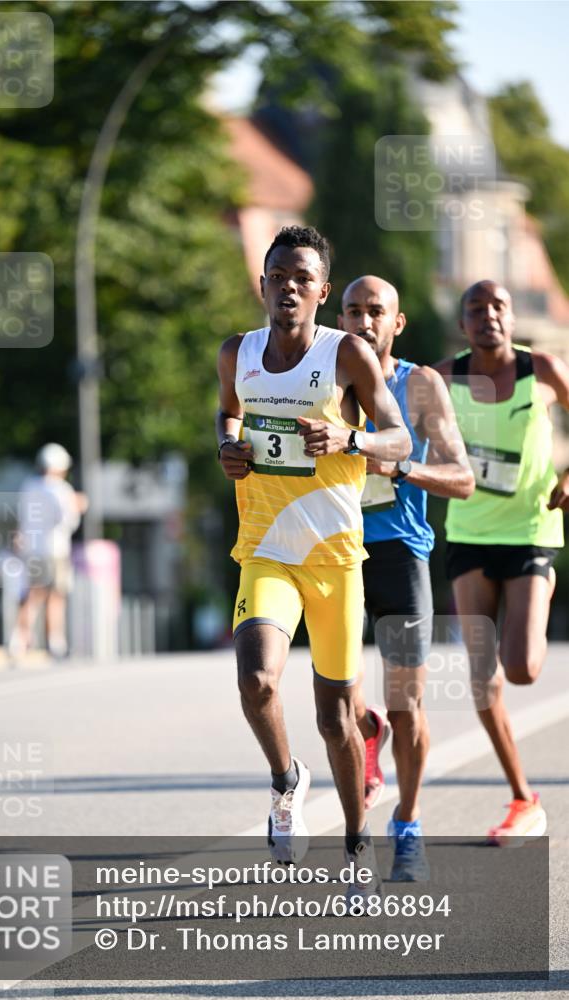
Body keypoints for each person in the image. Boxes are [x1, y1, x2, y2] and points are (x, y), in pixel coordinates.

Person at [216, 226, 411, 893]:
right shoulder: (236, 353)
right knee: (257, 683)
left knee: (335, 719)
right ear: (262, 284)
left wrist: (347, 437)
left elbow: (397, 438)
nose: (289, 287)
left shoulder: (346, 354)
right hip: (266, 551)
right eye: (278, 275)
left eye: (303, 278)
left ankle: (357, 847)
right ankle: (283, 780)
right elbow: (227, 417)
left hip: (333, 560)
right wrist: (229, 447)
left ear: (322, 292)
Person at [337, 276, 474, 879]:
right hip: (332, 550)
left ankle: (409, 824)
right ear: (337, 318)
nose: (364, 321)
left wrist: (401, 466)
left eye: (376, 312)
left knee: (409, 706)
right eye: (353, 311)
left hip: (398, 550)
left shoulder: (420, 385)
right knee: (338, 702)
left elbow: (463, 478)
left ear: (398, 323)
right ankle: (363, 729)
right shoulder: (320, 375)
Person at [435, 280, 569, 844]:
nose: (488, 315)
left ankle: (542, 584)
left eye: (498, 307)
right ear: (463, 324)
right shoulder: (442, 377)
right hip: (468, 534)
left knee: (522, 670)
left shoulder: (541, 369)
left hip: (532, 531)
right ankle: (522, 796)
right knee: (481, 675)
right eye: (476, 309)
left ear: (511, 318)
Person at [8, 443, 88, 661]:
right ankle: (55, 644)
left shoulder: (28, 486)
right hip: (54, 548)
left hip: (31, 549)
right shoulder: (61, 489)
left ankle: (19, 640)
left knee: (31, 596)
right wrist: (78, 506)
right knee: (55, 597)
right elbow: (67, 520)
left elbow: (22, 518)